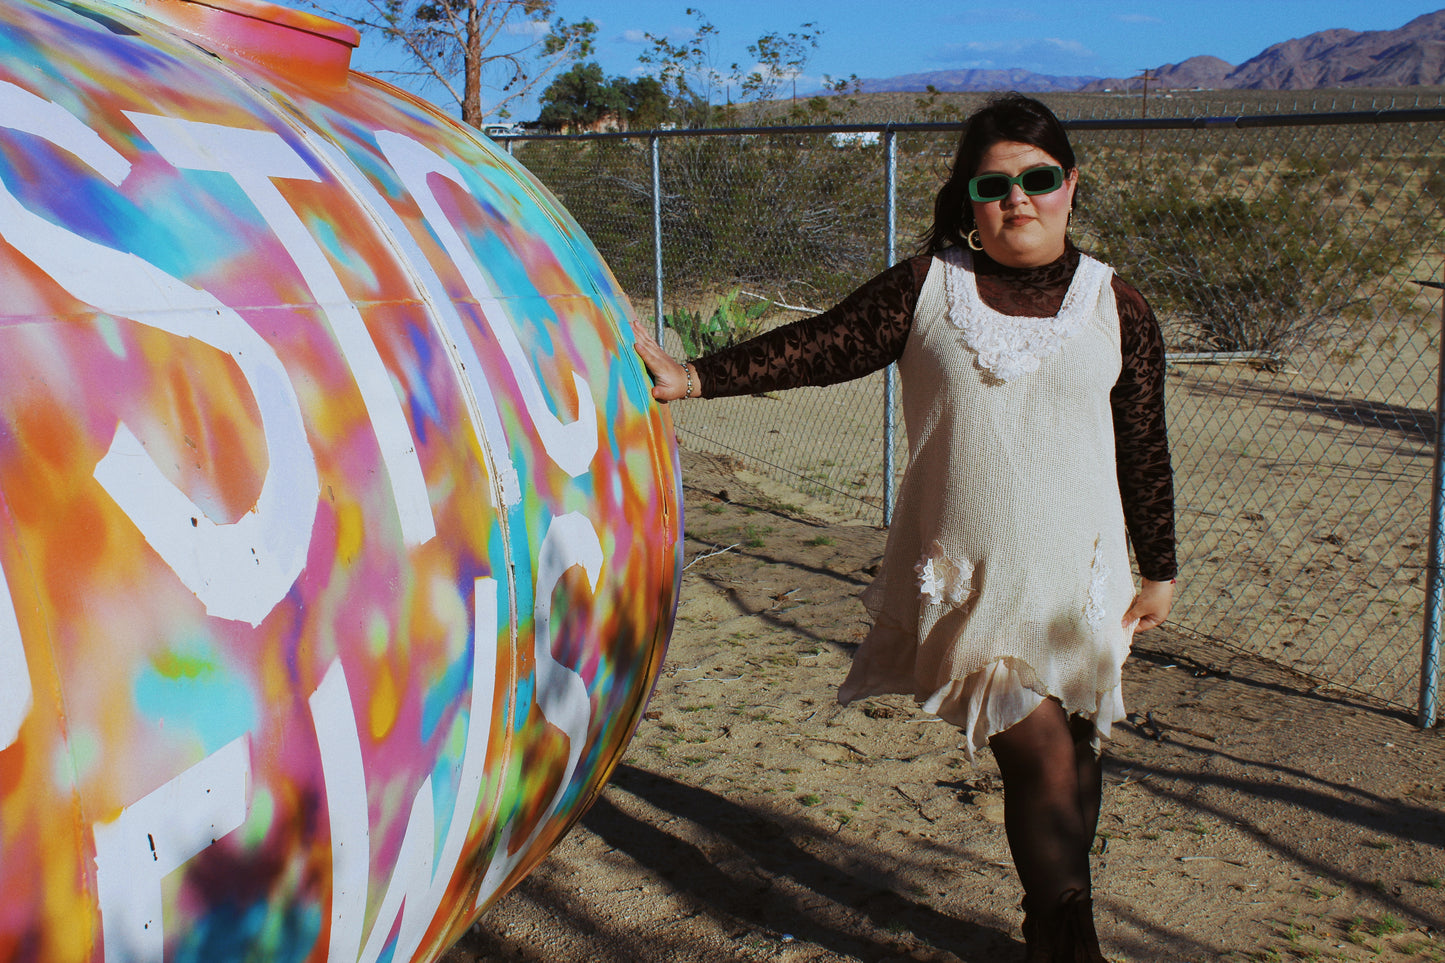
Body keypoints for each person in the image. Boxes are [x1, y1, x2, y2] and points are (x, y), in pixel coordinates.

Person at [631, 93, 1176, 963]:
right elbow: (823, 345)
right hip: (975, 584)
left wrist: (1160, 568)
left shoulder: (1118, 305)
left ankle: (1053, 923)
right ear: (967, 196)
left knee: (1074, 746)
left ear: (1070, 184)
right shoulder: (931, 287)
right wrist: (696, 377)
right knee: (1035, 749)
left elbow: (1143, 441)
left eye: (1037, 179)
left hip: (1084, 579)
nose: (1017, 200)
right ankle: (1069, 946)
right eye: (992, 185)